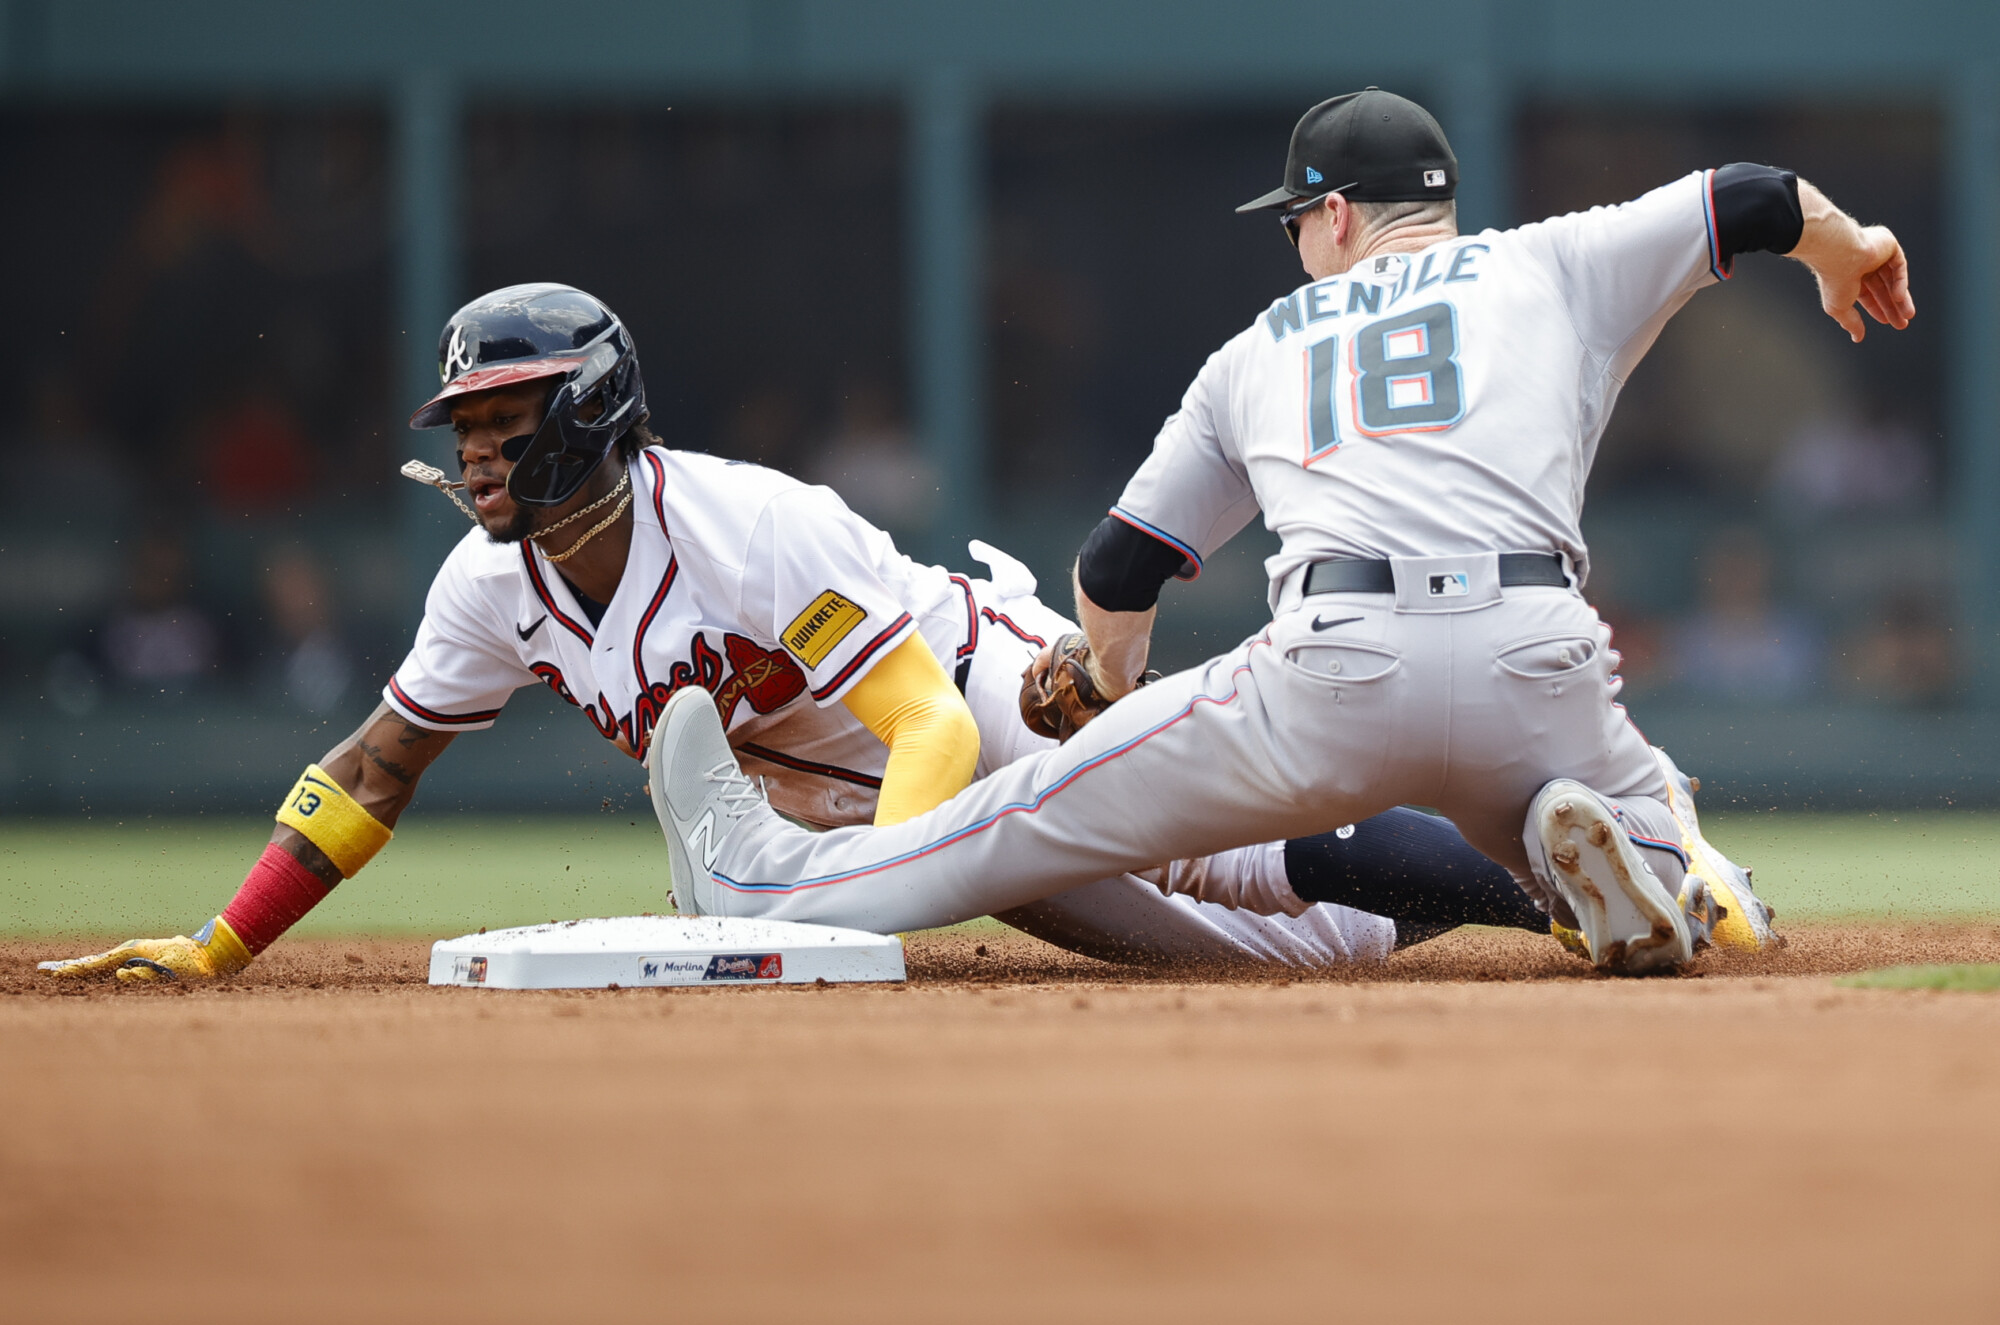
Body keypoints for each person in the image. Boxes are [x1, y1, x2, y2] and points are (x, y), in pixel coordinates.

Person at [45, 282, 1651, 986]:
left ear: (590, 414)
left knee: (1231, 848)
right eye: (460, 423)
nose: (470, 451)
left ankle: (1582, 900)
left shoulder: (746, 523)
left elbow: (926, 721)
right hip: (825, 803)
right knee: (1213, 953)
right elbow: (377, 763)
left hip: (982, 693)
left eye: (501, 419)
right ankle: (1568, 893)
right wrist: (222, 938)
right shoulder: (491, 585)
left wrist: (859, 911)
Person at [643, 87, 1898, 974]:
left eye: (1295, 218)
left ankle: (771, 882)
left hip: (1333, 674)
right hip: (1540, 655)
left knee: (1010, 821)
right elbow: (1746, 199)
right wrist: (1848, 251)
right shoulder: (1549, 264)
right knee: (1636, 788)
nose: (1293, 242)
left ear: (1340, 214)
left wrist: (1103, 680)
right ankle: (1659, 866)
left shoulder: (1257, 348)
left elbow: (1117, 565)